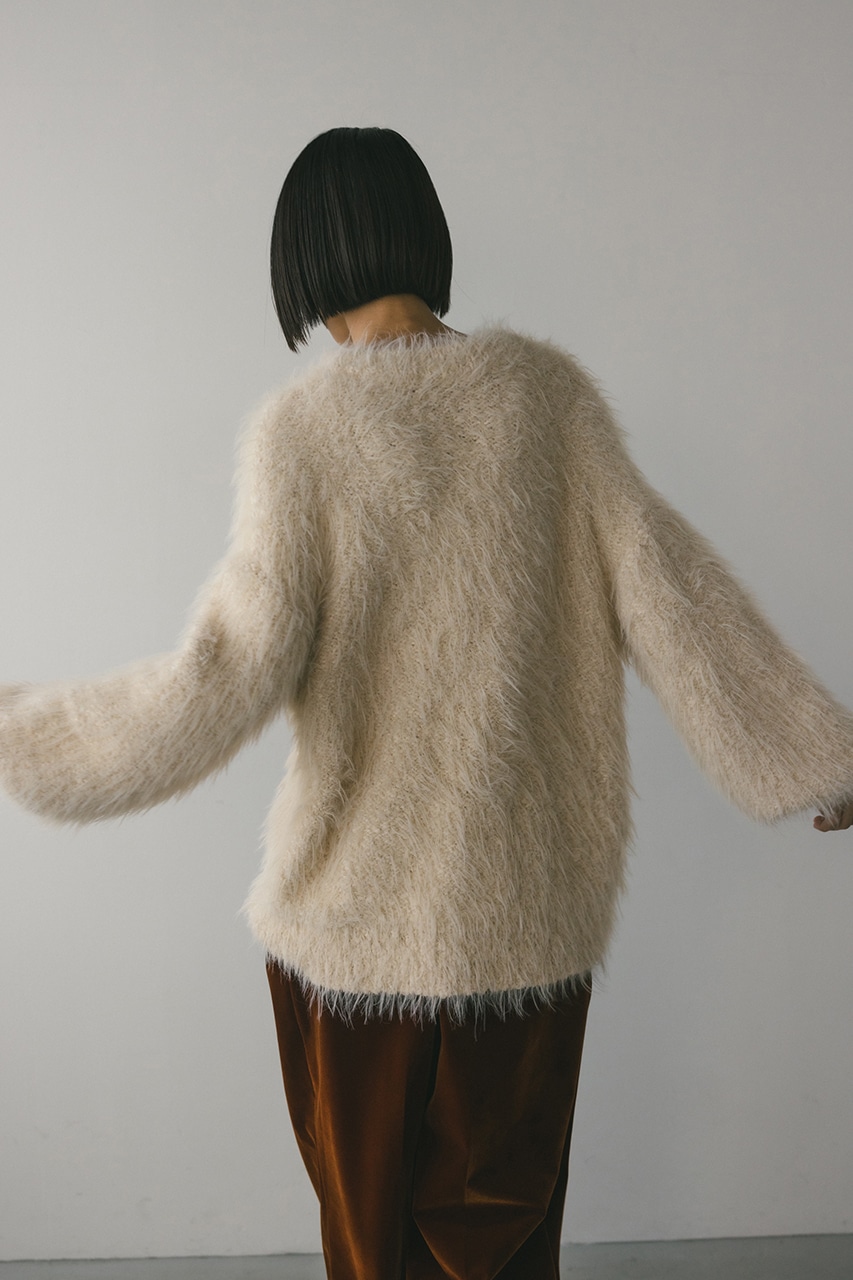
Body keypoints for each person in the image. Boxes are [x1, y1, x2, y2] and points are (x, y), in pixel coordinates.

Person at [0, 126, 851, 1280]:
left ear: (303, 258)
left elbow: (222, 670)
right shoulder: (546, 400)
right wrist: (814, 753)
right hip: (526, 927)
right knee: (504, 1244)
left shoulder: (303, 433)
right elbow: (669, 584)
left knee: (375, 1251)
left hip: (353, 931)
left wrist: (25, 738)